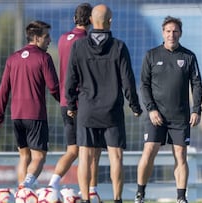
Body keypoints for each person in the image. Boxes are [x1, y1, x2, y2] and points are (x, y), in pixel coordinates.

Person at [65, 4, 142, 203]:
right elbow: (128, 80)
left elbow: (70, 79)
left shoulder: (79, 46)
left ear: (91, 20)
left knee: (85, 156)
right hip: (112, 111)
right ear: (110, 21)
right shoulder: (119, 46)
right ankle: (117, 199)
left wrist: (72, 105)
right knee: (116, 157)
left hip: (87, 110)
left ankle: (85, 198)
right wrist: (134, 106)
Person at [135, 16, 202, 203]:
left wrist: (196, 109)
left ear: (180, 33)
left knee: (180, 155)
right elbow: (144, 85)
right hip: (156, 115)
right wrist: (151, 109)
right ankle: (140, 194)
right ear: (163, 32)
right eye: (168, 31)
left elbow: (197, 85)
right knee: (149, 150)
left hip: (180, 117)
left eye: (175, 31)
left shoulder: (188, 57)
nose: (171, 35)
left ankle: (181, 197)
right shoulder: (151, 55)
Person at [0, 20, 60, 189]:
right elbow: (54, 88)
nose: (50, 40)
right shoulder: (44, 58)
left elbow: (3, 90)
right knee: (39, 157)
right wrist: (69, 104)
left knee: (24, 156)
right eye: (46, 36)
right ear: (36, 38)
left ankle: (23, 195)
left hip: (17, 116)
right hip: (35, 115)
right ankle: (26, 186)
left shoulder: (12, 58)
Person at [47, 3, 102, 196]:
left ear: (74, 19)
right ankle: (91, 191)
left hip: (64, 101)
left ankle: (53, 184)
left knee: (73, 150)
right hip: (82, 102)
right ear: (90, 21)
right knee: (93, 151)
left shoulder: (62, 39)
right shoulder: (87, 41)